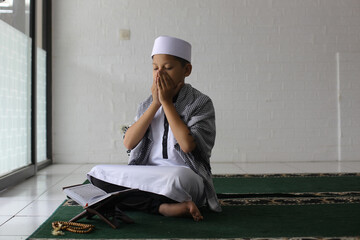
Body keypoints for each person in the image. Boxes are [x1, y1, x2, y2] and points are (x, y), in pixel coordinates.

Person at [87, 36, 221, 222]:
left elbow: (188, 146)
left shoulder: (200, 102)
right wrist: (155, 104)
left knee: (176, 179)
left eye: (167, 68)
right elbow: (129, 142)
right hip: (148, 174)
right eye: (155, 68)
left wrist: (166, 103)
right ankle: (163, 207)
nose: (160, 74)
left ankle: (135, 200)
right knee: (97, 174)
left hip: (185, 176)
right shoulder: (146, 105)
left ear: (186, 70)